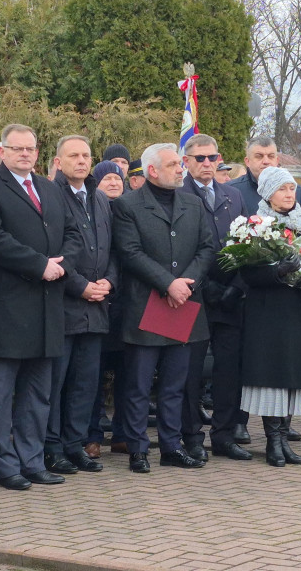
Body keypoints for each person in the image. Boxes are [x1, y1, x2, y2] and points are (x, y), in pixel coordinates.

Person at [0, 123, 82, 491]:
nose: (24, 154)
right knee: (0, 395)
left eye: (30, 148)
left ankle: (33, 461)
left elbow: (74, 234)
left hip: (47, 307)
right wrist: (39, 265)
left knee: (38, 392)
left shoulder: (49, 188)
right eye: (16, 149)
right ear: (2, 151)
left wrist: (62, 264)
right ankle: (6, 465)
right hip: (5, 309)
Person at [111, 143, 215, 473]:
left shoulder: (192, 203)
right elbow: (130, 252)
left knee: (175, 384)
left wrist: (186, 283)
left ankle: (170, 446)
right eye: (173, 164)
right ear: (153, 170)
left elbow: (206, 248)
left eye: (180, 163)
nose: (181, 169)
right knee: (139, 385)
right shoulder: (128, 205)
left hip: (183, 303)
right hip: (146, 305)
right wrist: (166, 283)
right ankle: (138, 449)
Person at [239, 166, 301, 466]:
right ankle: (273, 442)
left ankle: (286, 437)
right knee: (272, 377)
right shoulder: (255, 225)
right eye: (282, 189)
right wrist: (278, 271)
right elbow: (247, 272)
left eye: (292, 189)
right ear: (267, 193)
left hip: (298, 309)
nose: (289, 194)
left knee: (292, 375)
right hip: (269, 312)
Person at [44, 135, 116, 476]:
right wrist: (80, 286)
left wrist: (109, 283)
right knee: (56, 383)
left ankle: (75, 446)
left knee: (86, 384)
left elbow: (112, 249)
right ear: (58, 161)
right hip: (63, 306)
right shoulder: (49, 196)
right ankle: (52, 447)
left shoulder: (99, 198)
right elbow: (51, 251)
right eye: (73, 155)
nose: (81, 161)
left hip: (97, 309)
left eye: (86, 155)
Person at [179, 134, 252, 462]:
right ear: (187, 161)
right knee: (189, 370)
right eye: (199, 158)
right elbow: (178, 250)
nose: (206, 164)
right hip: (193, 295)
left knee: (229, 368)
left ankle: (224, 433)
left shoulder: (233, 195)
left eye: (211, 158)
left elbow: (247, 243)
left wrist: (236, 286)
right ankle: (191, 434)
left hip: (230, 296)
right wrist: (204, 286)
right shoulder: (179, 195)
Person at [85, 161, 127, 459]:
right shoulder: (90, 208)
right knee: (93, 376)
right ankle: (92, 435)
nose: (113, 182)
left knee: (129, 374)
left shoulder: (130, 209)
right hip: (96, 302)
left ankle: (124, 433)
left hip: (126, 306)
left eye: (117, 178)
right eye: (107, 178)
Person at [229, 136, 301, 224]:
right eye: (259, 156)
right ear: (247, 161)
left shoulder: (295, 190)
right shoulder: (232, 191)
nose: (266, 161)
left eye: (271, 156)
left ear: (277, 161)